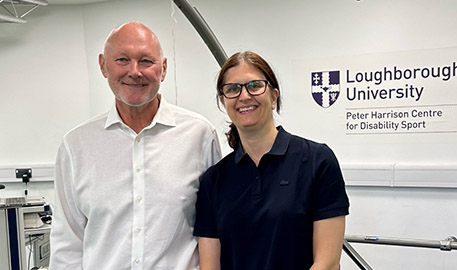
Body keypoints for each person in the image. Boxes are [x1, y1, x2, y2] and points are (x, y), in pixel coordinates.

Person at [49, 22, 221, 269]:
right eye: (122, 59)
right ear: (102, 65)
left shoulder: (199, 135)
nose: (134, 71)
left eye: (146, 61)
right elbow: (68, 245)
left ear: (163, 69)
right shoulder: (76, 146)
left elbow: (214, 229)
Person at [193, 51, 350, 270]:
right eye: (232, 89)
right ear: (223, 101)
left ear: (274, 96)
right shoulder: (214, 180)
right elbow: (210, 266)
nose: (244, 96)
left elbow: (328, 263)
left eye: (255, 86)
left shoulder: (317, 161)